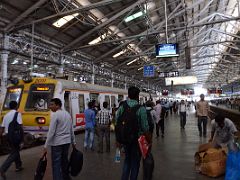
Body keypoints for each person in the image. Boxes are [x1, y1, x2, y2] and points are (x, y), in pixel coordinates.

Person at [116, 86, 149, 180]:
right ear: (137, 96)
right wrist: (149, 141)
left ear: (129, 95)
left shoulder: (122, 107)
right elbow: (145, 128)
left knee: (127, 161)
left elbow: (117, 122)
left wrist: (118, 140)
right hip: (136, 141)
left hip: (124, 140)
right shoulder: (141, 108)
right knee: (135, 163)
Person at [43, 98, 76, 180]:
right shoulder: (67, 114)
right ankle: (66, 177)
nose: (50, 107)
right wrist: (73, 142)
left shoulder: (55, 115)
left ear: (57, 105)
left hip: (57, 143)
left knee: (56, 164)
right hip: (66, 142)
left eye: (52, 105)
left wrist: (46, 145)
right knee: (64, 162)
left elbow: (51, 132)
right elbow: (71, 129)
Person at [0, 101, 23, 180]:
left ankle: (18, 166)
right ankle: (2, 169)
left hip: (7, 136)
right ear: (16, 106)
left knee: (15, 150)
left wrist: (1, 137)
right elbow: (20, 126)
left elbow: (2, 127)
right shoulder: (17, 114)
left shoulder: (6, 115)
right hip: (15, 136)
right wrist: (22, 139)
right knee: (14, 153)